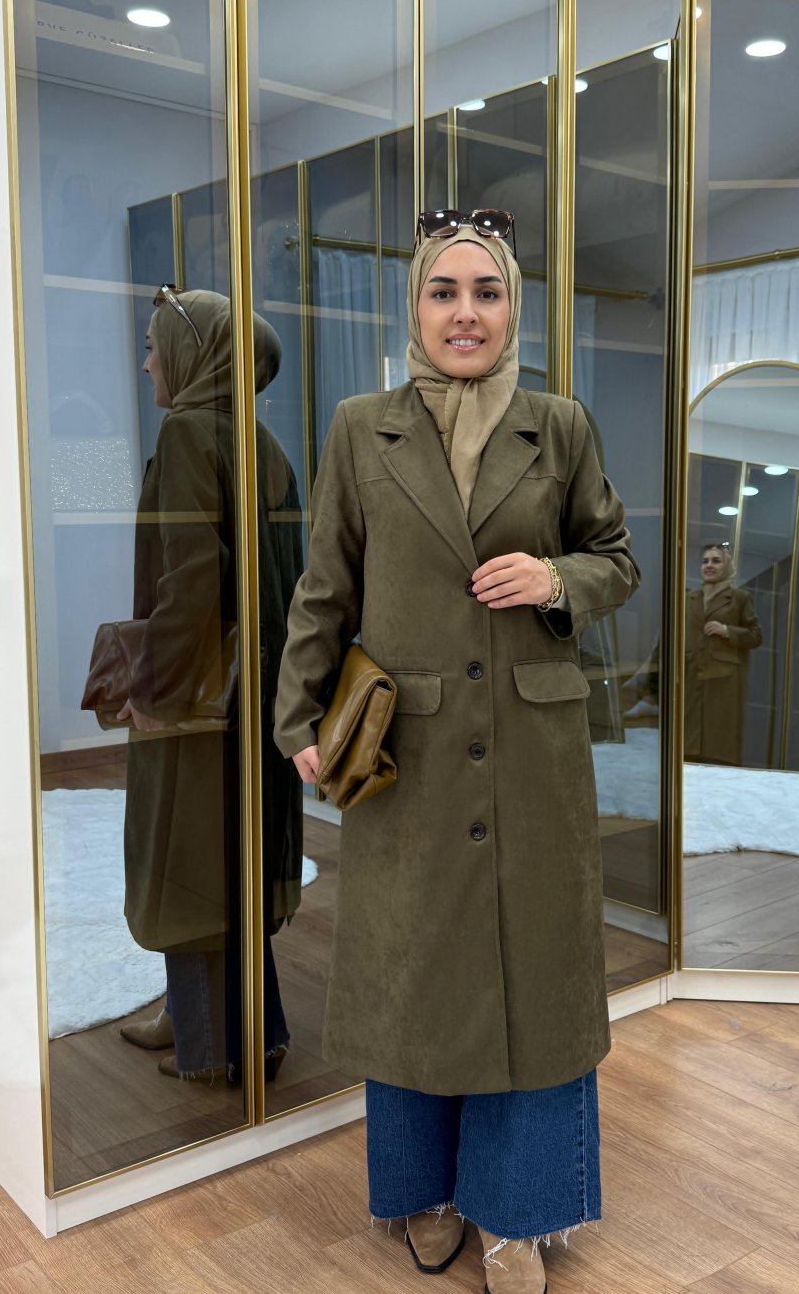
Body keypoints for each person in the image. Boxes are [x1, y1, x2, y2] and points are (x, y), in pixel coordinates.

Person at [273, 214, 640, 1292]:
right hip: (410, 752)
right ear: (416, 307)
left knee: (536, 977)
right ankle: (424, 1190)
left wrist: (556, 580)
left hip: (534, 749)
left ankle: (520, 1216)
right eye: (444, 292)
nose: (465, 313)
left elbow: (615, 557)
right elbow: (325, 585)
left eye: (487, 291)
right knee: (415, 971)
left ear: (513, 306)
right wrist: (299, 718)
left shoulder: (559, 425)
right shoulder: (360, 429)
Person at [117, 287, 303, 1083]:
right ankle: (233, 1022)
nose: (148, 362)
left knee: (188, 861)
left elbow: (189, 580)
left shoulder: (188, 432)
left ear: (194, 356)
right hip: (257, 693)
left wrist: (149, 682)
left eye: (154, 346)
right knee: (231, 856)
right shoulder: (263, 441)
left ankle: (219, 1044)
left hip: (201, 692)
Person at [684, 542, 762, 766]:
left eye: (716, 561)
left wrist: (726, 630)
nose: (709, 565)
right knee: (688, 740)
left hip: (724, 679)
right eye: (705, 561)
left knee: (718, 739)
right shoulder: (689, 598)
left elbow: (756, 636)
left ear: (727, 566)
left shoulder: (739, 597)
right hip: (691, 674)